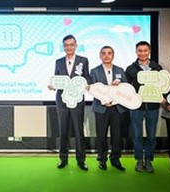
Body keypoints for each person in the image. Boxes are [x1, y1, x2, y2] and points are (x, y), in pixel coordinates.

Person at [49, 34, 90, 171]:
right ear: (63, 47)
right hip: (61, 100)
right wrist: (53, 85)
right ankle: (63, 158)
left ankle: (81, 160)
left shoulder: (83, 60)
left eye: (71, 45)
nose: (69, 47)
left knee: (79, 131)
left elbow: (87, 78)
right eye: (66, 45)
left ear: (76, 45)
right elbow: (56, 79)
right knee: (63, 130)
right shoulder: (58, 61)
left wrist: (86, 85)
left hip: (77, 100)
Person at [125, 41, 163, 172]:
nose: (142, 53)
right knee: (137, 135)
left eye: (145, 50)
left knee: (151, 136)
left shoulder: (157, 67)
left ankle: (148, 160)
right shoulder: (130, 69)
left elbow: (161, 86)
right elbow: (127, 88)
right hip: (136, 107)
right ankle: (139, 160)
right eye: (140, 51)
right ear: (136, 52)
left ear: (149, 51)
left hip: (153, 107)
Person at [90, 46, 127, 171]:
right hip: (101, 108)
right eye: (104, 53)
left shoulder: (120, 70)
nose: (107, 56)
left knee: (117, 135)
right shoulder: (94, 71)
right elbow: (93, 90)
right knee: (101, 135)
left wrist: (118, 88)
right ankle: (102, 159)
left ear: (113, 55)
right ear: (100, 56)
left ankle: (115, 159)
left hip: (117, 108)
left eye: (109, 53)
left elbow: (126, 88)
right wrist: (104, 99)